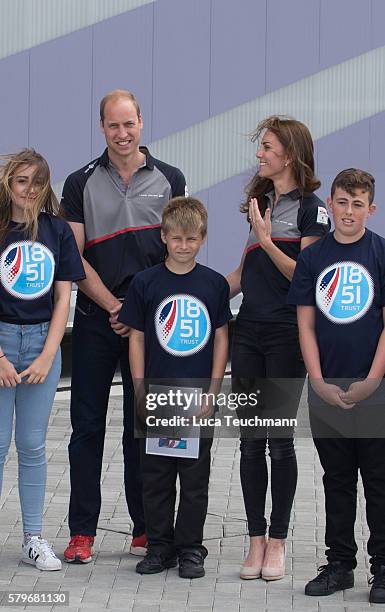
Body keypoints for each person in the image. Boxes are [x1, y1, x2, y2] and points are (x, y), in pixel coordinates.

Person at [60, 90, 187, 563]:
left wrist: (136, 312)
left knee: (145, 428)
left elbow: (180, 250)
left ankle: (147, 529)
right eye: (113, 125)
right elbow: (73, 256)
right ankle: (82, 533)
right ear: (101, 127)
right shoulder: (80, 182)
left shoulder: (170, 178)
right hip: (97, 320)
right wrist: (115, 305)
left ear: (142, 122)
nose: (122, 133)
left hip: (151, 327)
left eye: (129, 123)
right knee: (86, 429)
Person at [227, 116, 330, 581]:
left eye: (266, 147)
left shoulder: (313, 209)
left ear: (289, 153)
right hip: (247, 332)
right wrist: (191, 291)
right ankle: (254, 540)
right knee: (250, 444)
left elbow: (307, 280)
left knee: (280, 443)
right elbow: (241, 276)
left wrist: (267, 241)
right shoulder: (261, 202)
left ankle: (280, 541)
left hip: (286, 336)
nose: (259, 154)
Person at [118, 196, 232, 578]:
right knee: (156, 476)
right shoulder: (145, 283)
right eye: (177, 238)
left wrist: (213, 393)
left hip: (197, 397)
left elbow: (220, 339)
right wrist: (139, 389)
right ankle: (160, 546)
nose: (184, 246)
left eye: (192, 239)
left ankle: (190, 549)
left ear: (202, 239)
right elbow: (135, 337)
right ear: (163, 236)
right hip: (158, 395)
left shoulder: (213, 284)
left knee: (195, 478)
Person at [288, 168, 385, 604]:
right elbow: (305, 324)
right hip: (327, 387)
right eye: (342, 203)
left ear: (371, 208)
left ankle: (382, 567)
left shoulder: (381, 253)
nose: (349, 212)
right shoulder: (313, 258)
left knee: (379, 481)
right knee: (337, 479)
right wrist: (319, 381)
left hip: (375, 388)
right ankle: (340, 563)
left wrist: (373, 379)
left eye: (358, 204)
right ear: (329, 204)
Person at [0, 149, 85, 570]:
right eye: (20, 181)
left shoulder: (57, 231)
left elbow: (63, 295)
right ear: (8, 185)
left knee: (32, 445)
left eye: (36, 183)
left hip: (40, 345)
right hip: (0, 341)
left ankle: (33, 537)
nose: (28, 190)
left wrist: (49, 354)